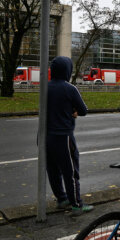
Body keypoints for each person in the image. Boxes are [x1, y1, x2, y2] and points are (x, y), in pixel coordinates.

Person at [45, 56, 91, 214]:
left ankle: (61, 198)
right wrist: (74, 110)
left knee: (53, 170)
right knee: (70, 172)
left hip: (45, 135)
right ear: (67, 70)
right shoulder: (69, 88)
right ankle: (76, 204)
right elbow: (83, 110)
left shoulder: (45, 87)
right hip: (63, 136)